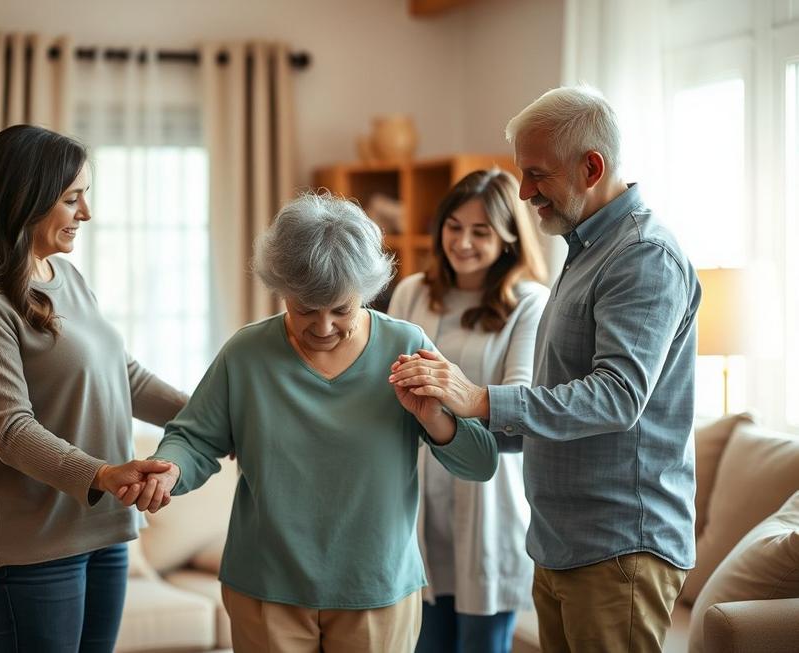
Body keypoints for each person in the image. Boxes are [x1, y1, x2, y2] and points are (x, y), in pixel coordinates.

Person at [389, 86, 701, 653]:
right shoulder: (584, 251)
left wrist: (480, 399)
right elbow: (557, 404)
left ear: (591, 166)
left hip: (617, 549)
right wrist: (452, 424)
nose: (525, 191)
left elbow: (616, 398)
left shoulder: (642, 256)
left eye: (537, 174)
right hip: (559, 542)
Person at [128, 192, 499, 652]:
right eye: (305, 309)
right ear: (281, 289)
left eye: (341, 310)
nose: (323, 327)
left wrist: (435, 417)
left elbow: (481, 462)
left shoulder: (406, 346)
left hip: (375, 589)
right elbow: (194, 437)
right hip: (266, 586)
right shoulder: (247, 354)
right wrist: (172, 468)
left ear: (366, 292)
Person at [0, 124, 187, 653]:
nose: (85, 213)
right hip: (32, 545)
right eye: (71, 198)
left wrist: (215, 415)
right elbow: (12, 431)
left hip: (104, 527)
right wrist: (105, 473)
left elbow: (123, 376)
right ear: (26, 200)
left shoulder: (65, 276)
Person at [387, 168, 547, 653]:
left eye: (481, 231)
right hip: (419, 499)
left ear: (508, 239)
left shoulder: (529, 303)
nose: (462, 242)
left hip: (490, 501)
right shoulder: (413, 290)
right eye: (454, 226)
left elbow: (517, 399)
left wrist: (446, 400)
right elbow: (387, 378)